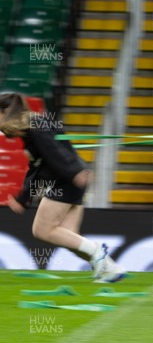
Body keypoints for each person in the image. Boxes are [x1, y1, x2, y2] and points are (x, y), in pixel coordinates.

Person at [0, 92, 125, 283]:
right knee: (70, 238)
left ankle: (98, 251)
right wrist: (23, 198)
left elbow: (54, 151)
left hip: (69, 180)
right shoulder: (31, 128)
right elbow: (38, 165)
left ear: (4, 112)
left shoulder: (36, 126)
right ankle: (110, 268)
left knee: (42, 230)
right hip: (72, 178)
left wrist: (74, 172)